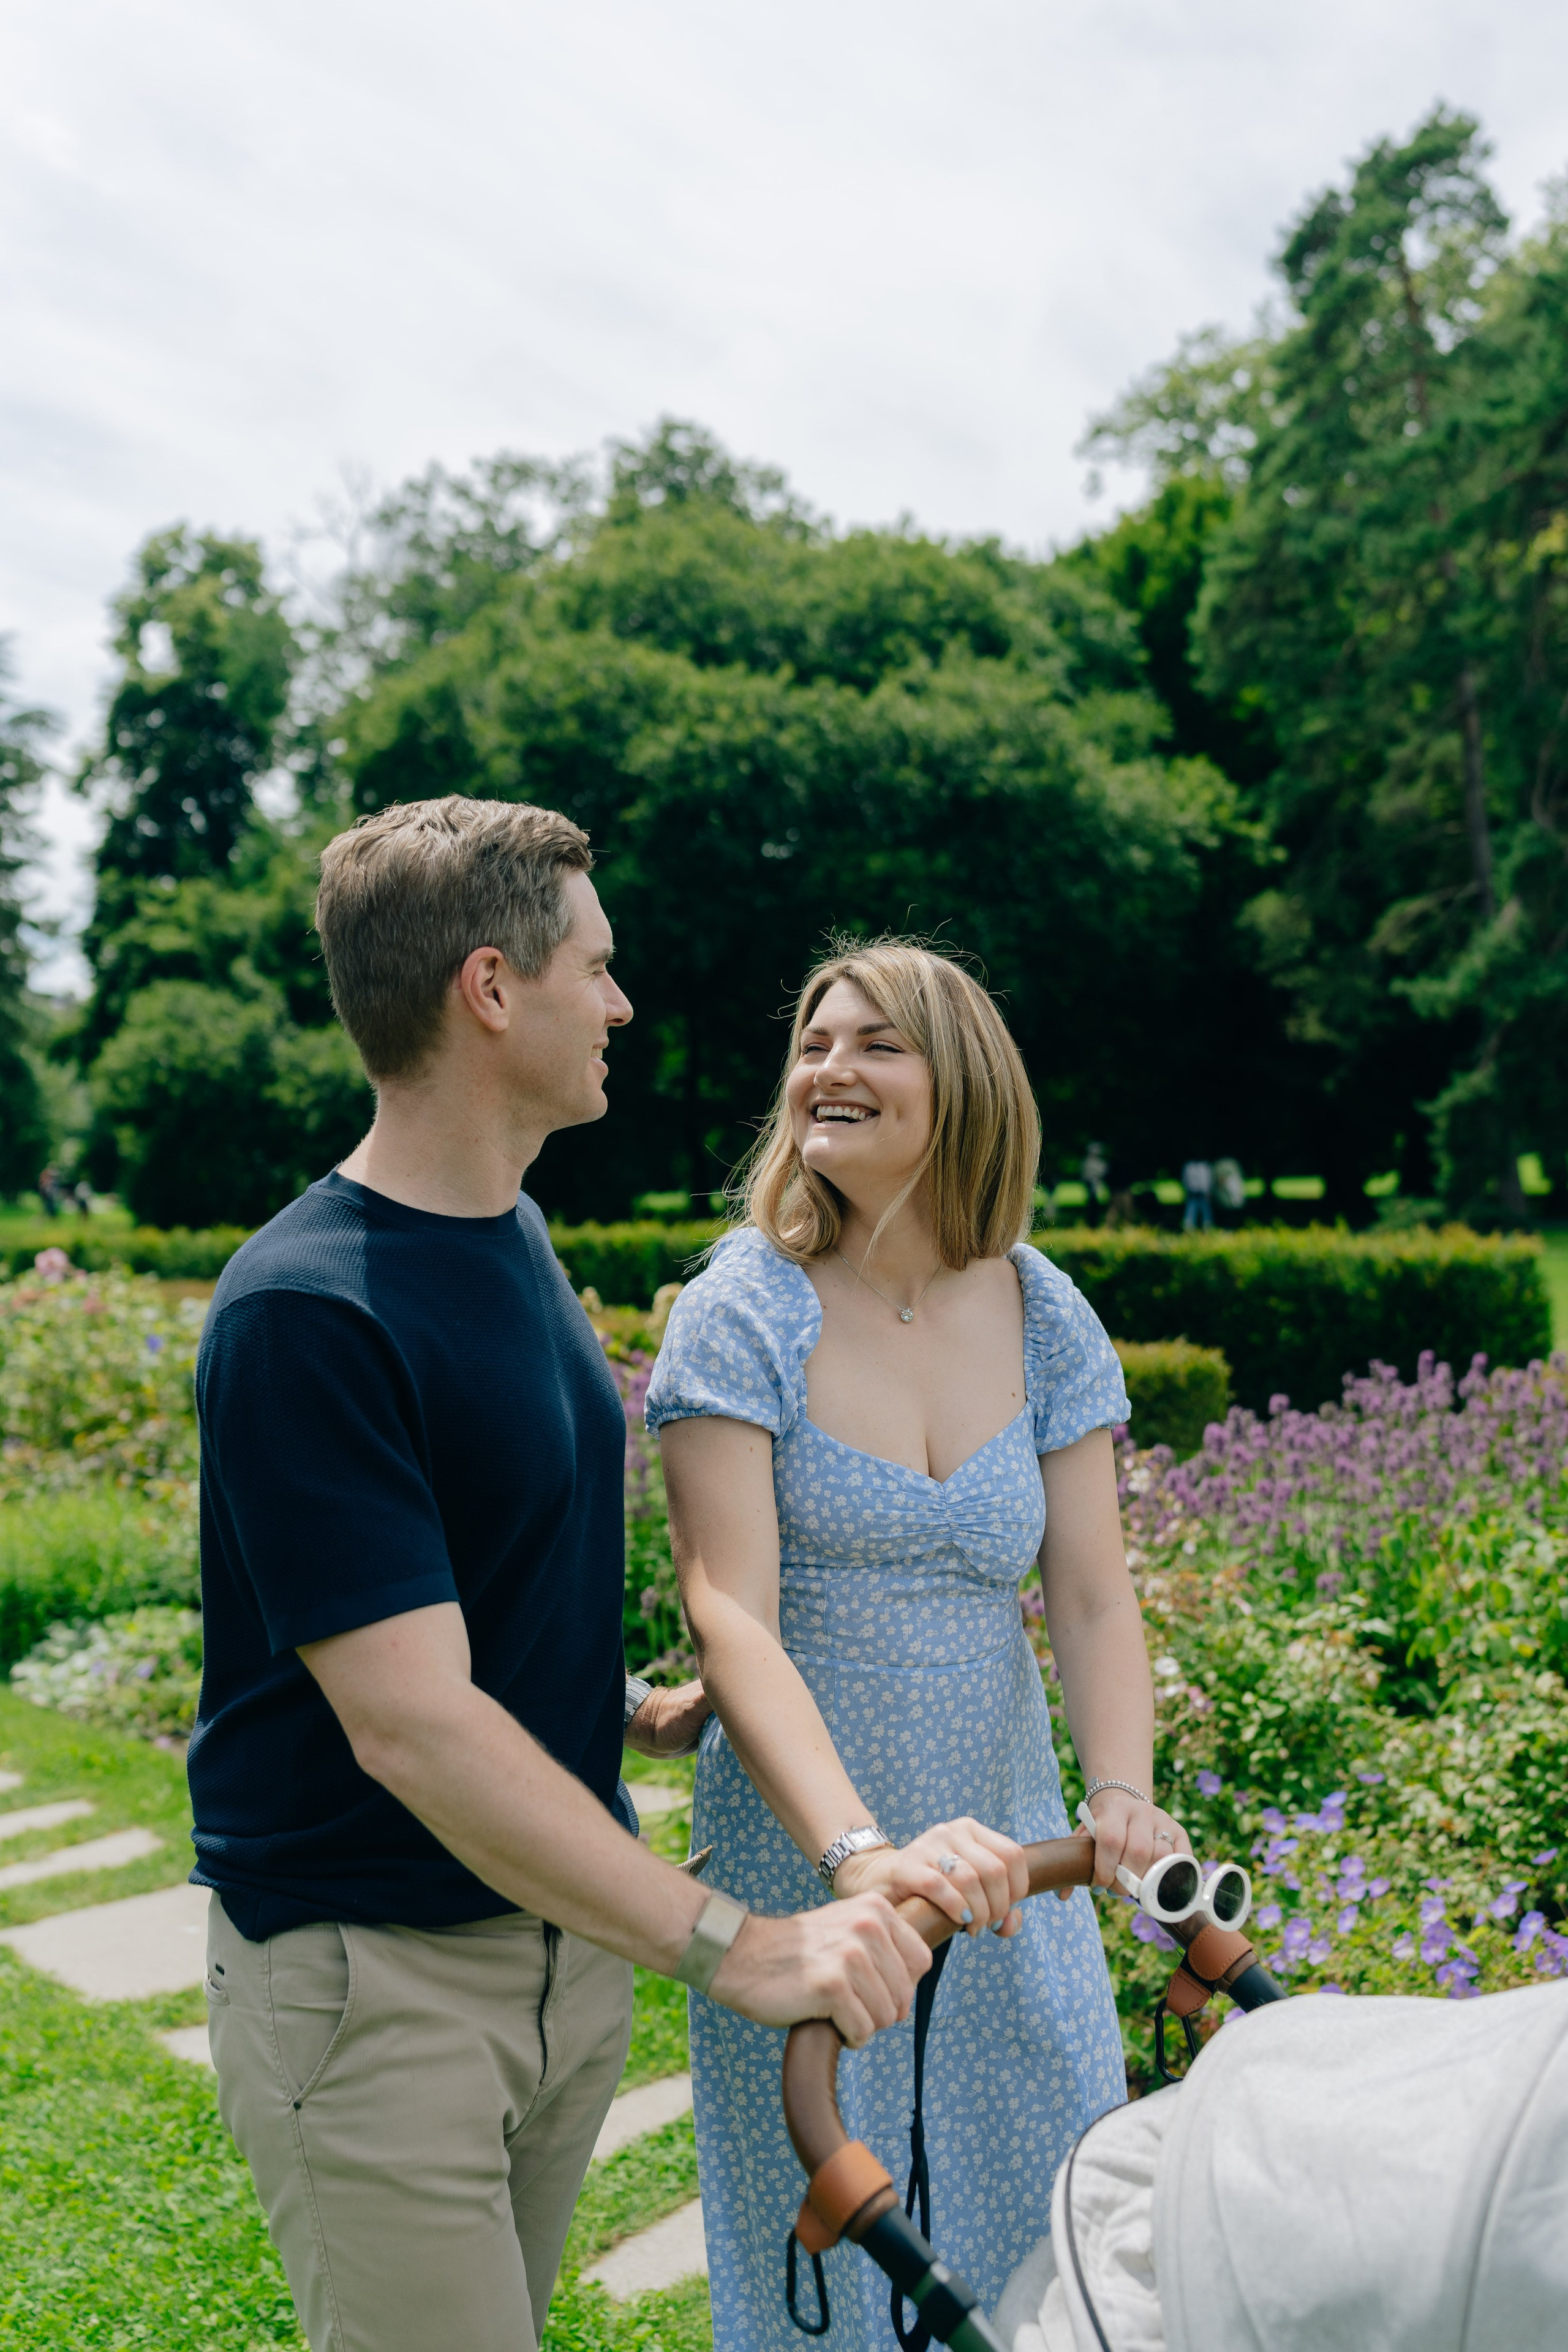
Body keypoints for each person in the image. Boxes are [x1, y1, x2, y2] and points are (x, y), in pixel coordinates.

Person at [190, 799, 930, 2352]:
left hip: (554, 1958)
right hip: (377, 1984)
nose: (621, 1001)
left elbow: (466, 1576)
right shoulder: (306, 1310)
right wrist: (743, 1943)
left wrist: (618, 1703)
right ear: (488, 988)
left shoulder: (512, 1233)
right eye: (594, 966)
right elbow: (407, 1725)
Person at [646, 940, 1191, 2350]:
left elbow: (1086, 1589)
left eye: (874, 1043)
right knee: (829, 2253)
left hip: (1014, 1864)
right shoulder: (739, 1308)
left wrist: (1117, 1794)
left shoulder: (1042, 1308)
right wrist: (854, 1856)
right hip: (813, 1865)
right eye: (813, 1042)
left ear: (960, 1080)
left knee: (1051, 2239)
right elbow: (730, 1615)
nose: (828, 1066)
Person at [1181, 1157, 1214, 1231]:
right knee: (1191, 1210)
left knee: (1205, 1210)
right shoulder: (1189, 1166)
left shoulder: (1205, 1166)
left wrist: (1208, 1191)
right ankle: (1189, 1227)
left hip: (1203, 1193)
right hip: (1193, 1192)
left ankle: (1207, 1227)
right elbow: (1185, 1180)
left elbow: (1208, 1180)